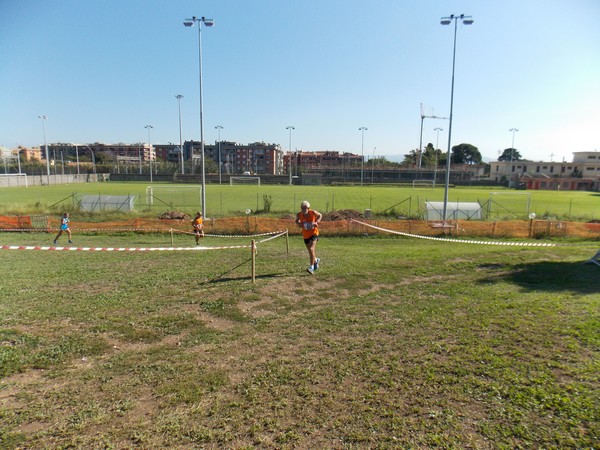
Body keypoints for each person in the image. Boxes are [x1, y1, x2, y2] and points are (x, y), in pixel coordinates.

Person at [295, 200, 322, 274]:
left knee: (311, 248)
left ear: (308, 208)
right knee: (310, 251)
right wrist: (299, 224)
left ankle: (311, 267)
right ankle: (316, 260)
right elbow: (296, 221)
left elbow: (320, 215)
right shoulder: (299, 214)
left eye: (305, 208)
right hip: (305, 234)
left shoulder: (312, 212)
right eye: (302, 208)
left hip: (314, 233)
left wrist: (317, 222)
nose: (304, 210)